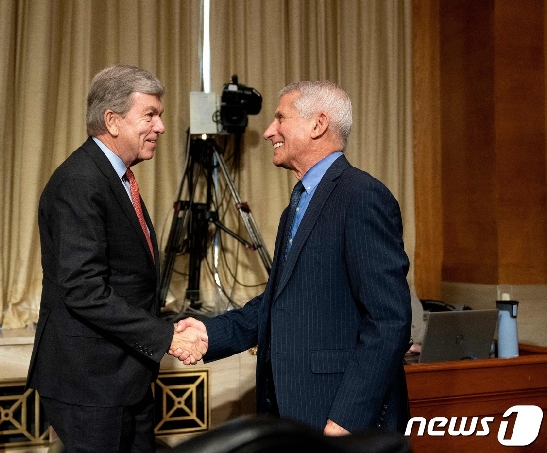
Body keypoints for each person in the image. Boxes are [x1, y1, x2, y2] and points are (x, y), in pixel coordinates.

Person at [172, 80, 412, 435]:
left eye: (280, 118)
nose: (269, 131)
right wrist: (210, 333)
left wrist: (347, 419)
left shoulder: (362, 197)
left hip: (339, 418)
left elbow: (390, 320)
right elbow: (277, 303)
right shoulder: (297, 206)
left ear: (318, 124)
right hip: (292, 412)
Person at [26, 64, 207, 453]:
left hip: (123, 378)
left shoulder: (114, 177)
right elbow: (83, 289)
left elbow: (127, 281)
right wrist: (166, 337)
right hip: (90, 383)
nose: (161, 127)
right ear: (112, 120)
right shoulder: (80, 182)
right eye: (150, 115)